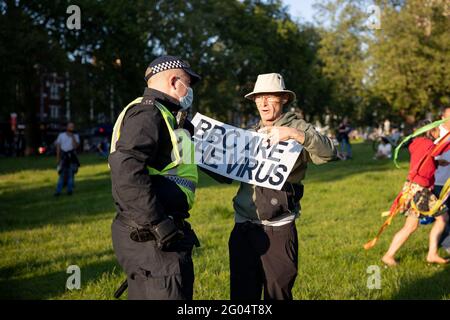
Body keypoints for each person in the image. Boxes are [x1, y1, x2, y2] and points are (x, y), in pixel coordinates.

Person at [229, 73, 337, 300]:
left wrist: (295, 135)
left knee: (278, 293)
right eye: (259, 97)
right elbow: (225, 174)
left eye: (270, 96)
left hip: (278, 227)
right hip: (243, 226)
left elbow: (328, 154)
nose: (264, 103)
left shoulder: (298, 127)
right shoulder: (249, 133)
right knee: (241, 294)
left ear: (284, 99)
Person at [109, 55, 202, 300]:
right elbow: (126, 168)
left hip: (153, 232)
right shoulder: (148, 113)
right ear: (174, 82)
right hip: (153, 234)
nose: (190, 90)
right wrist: (158, 222)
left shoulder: (163, 114)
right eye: (188, 83)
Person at [381, 120, 450, 266]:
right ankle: (389, 255)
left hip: (416, 188)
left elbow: (423, 161)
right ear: (429, 131)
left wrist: (437, 163)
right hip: (419, 190)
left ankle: (431, 253)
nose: (439, 132)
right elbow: (438, 149)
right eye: (437, 129)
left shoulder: (419, 143)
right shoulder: (426, 144)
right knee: (416, 225)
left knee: (439, 219)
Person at [434, 106, 450, 252]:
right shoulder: (436, 133)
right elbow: (429, 155)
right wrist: (438, 161)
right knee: (444, 215)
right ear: (442, 117)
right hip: (439, 181)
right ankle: (446, 244)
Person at [54, 122, 80, 196]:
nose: (72, 128)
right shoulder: (61, 135)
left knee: (71, 174)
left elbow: (76, 146)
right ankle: (58, 191)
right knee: (62, 175)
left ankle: (70, 190)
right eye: (70, 127)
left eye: (73, 127)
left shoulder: (75, 136)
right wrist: (58, 158)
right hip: (64, 157)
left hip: (71, 157)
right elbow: (58, 147)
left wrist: (73, 137)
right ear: (67, 127)